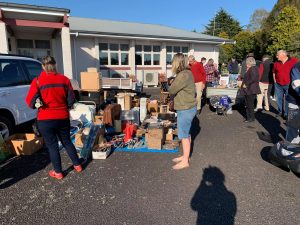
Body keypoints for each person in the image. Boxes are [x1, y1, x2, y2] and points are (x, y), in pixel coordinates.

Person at [26, 56, 82, 180]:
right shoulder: (64, 80)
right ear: (55, 65)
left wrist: (37, 103)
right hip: (62, 117)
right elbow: (71, 99)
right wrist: (63, 106)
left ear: (42, 66)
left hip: (45, 119)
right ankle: (77, 165)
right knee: (67, 142)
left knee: (52, 146)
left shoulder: (38, 81)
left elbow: (30, 102)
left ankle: (58, 172)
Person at [169, 53, 197, 170]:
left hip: (185, 109)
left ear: (177, 63)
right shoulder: (187, 72)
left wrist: (171, 83)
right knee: (187, 133)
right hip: (189, 107)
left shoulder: (182, 75)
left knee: (184, 136)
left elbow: (171, 90)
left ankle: (185, 161)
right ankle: (186, 156)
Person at [273, 50, 298, 119]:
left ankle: (286, 114)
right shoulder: (276, 63)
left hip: (289, 84)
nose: (276, 56)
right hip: (278, 84)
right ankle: (281, 111)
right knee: (278, 99)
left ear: (283, 55)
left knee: (288, 99)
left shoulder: (294, 61)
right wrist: (275, 81)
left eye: (277, 55)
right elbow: (274, 72)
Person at [240, 57, 261, 122]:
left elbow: (253, 78)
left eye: (247, 62)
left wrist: (246, 84)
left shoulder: (253, 69)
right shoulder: (253, 68)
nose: (246, 64)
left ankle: (250, 118)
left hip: (250, 89)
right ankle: (250, 117)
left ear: (249, 62)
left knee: (250, 105)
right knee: (249, 104)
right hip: (250, 89)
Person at [286, 62, 300, 143]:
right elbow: (297, 86)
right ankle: (290, 149)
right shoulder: (297, 67)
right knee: (293, 127)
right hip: (294, 103)